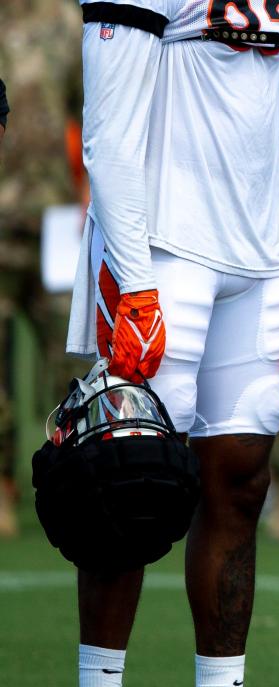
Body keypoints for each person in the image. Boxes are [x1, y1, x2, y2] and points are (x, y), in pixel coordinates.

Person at [64, 0, 279, 687]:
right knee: (129, 478)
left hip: (253, 259)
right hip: (165, 248)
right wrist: (136, 278)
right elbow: (110, 132)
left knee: (242, 479)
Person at [0, 0, 87, 538]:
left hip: (58, 219)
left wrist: (88, 193)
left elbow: (92, 112)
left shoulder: (68, 20)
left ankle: (74, 480)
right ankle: (1, 492)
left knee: (71, 360)